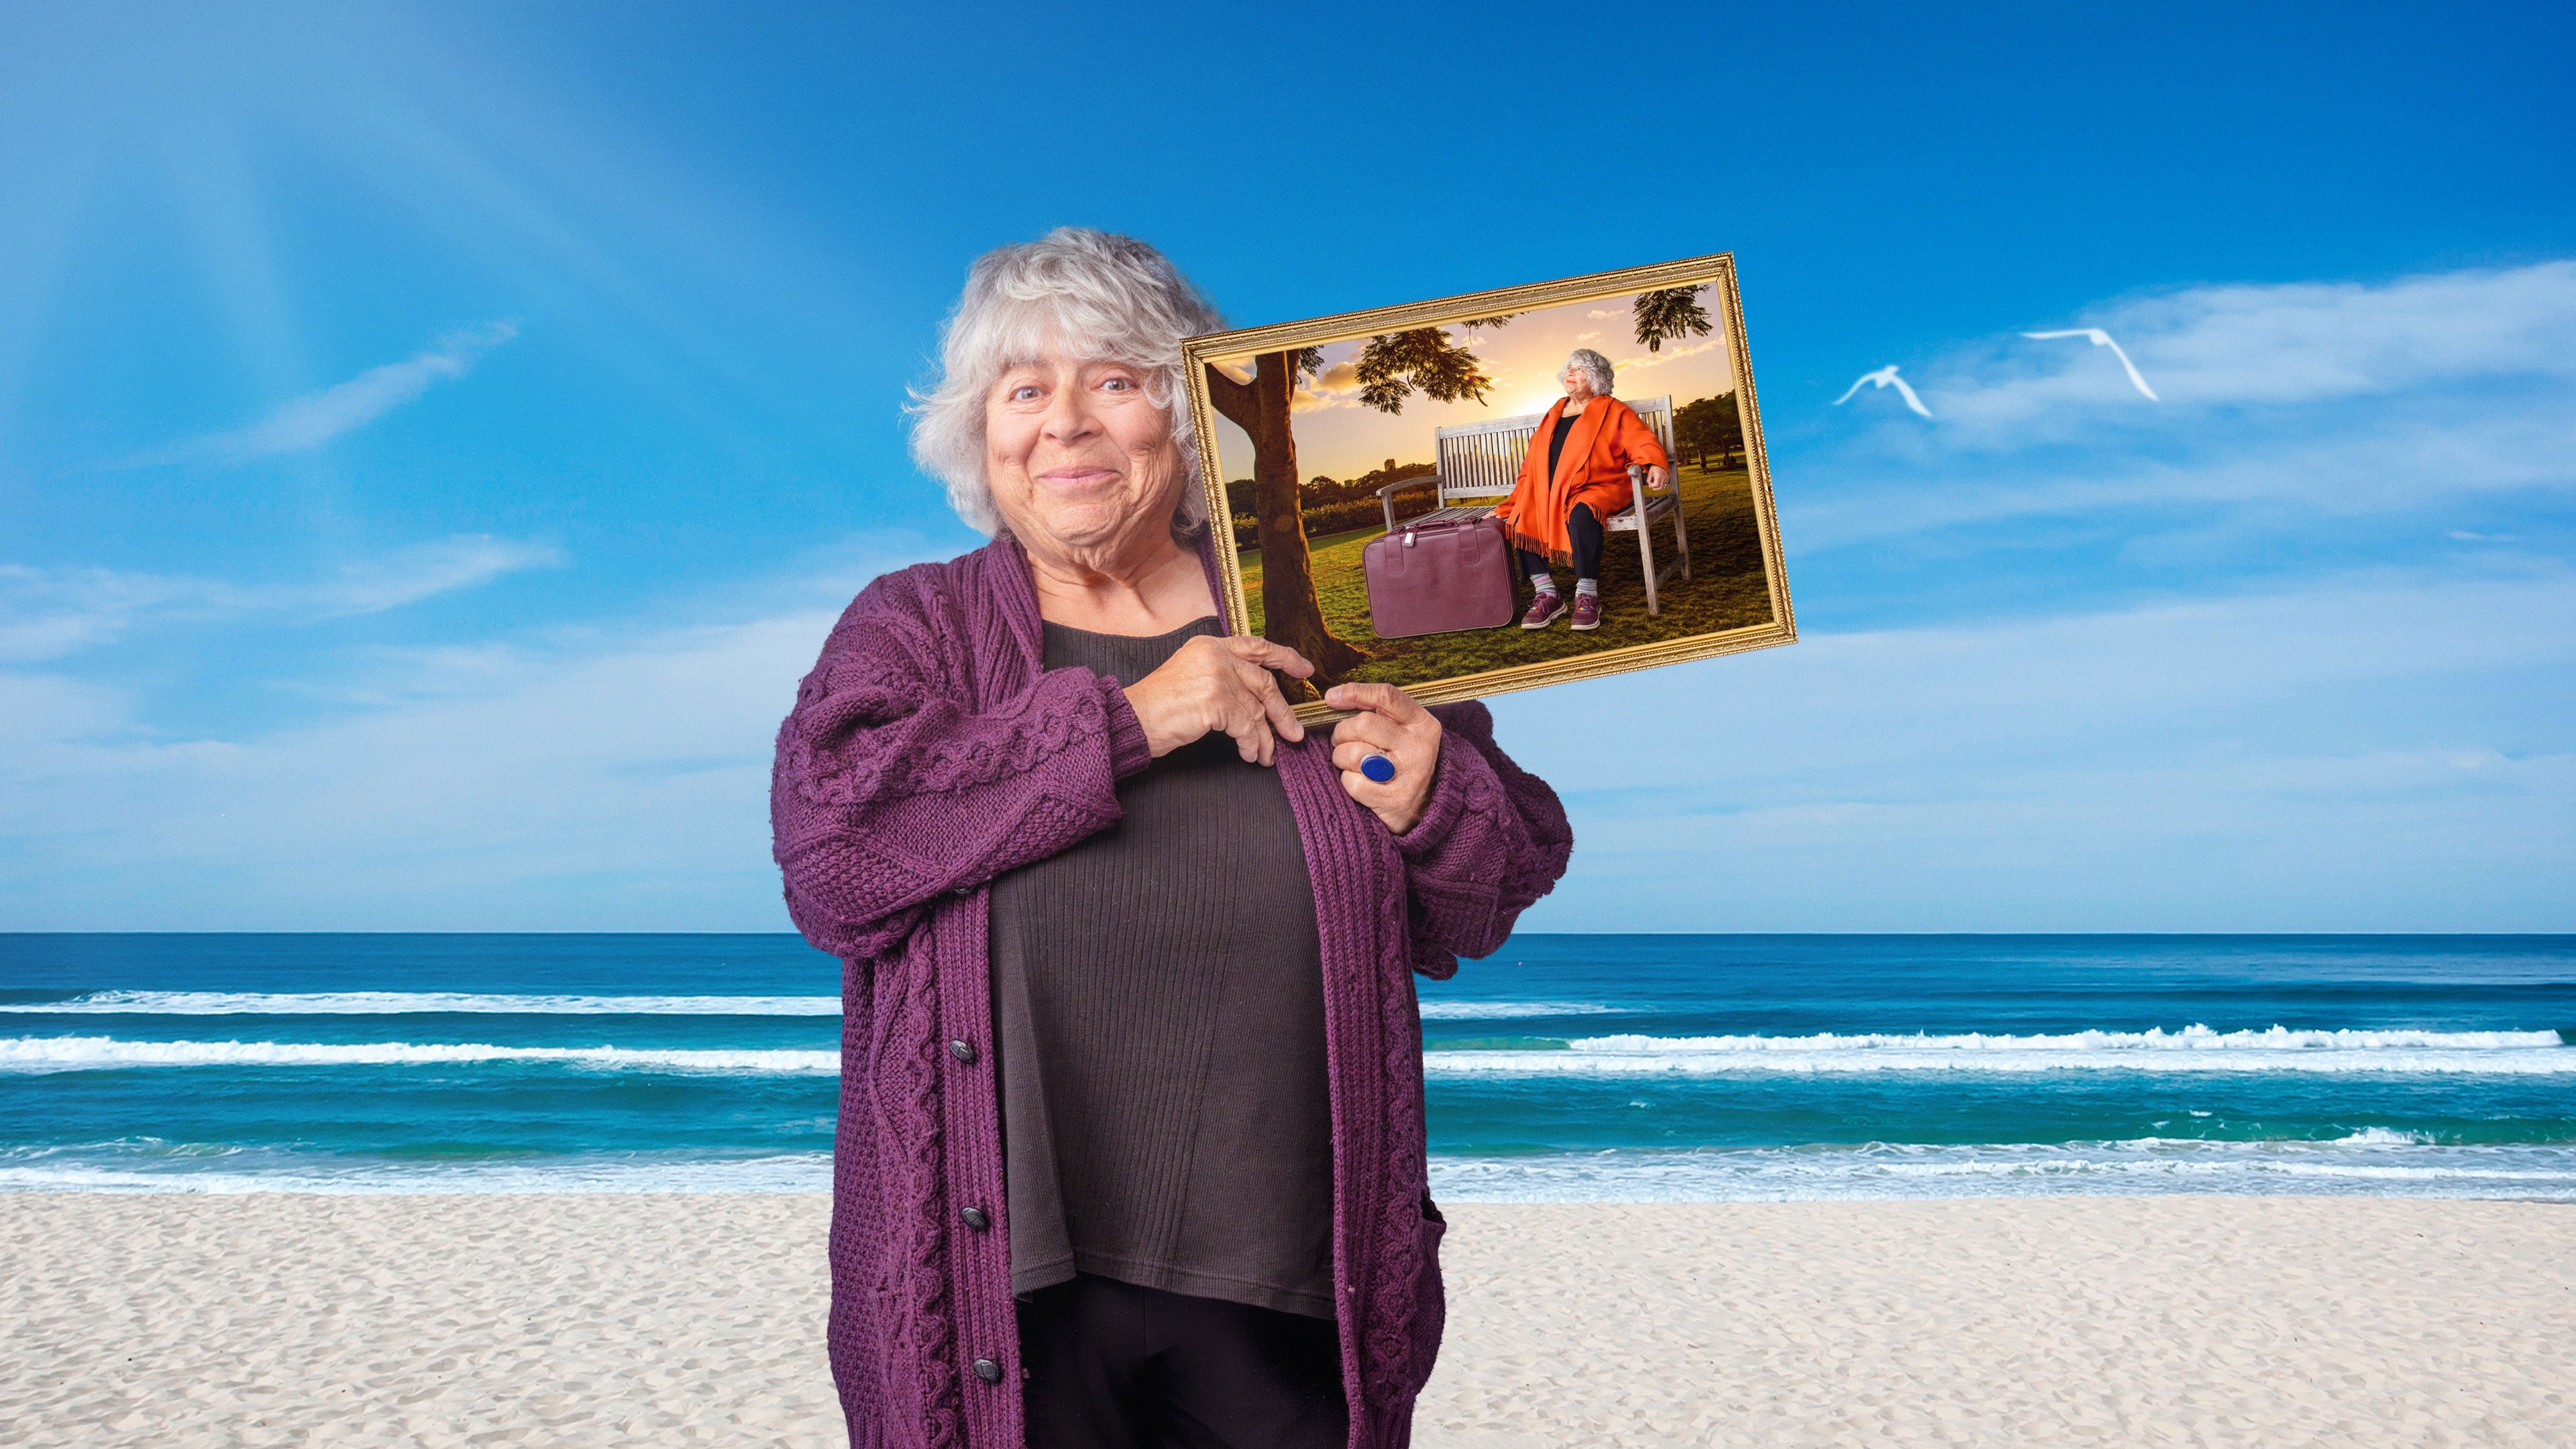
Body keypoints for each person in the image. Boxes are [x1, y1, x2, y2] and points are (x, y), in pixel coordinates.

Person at [770, 227, 1573, 1449]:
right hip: (1005, 1305)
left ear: (1186, 413)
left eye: (1115, 379)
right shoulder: (916, 625)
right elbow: (835, 855)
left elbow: (1493, 888)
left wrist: (1430, 799)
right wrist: (1139, 718)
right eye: (1023, 389)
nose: (1066, 423)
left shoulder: (1319, 605)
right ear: (980, 434)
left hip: (1295, 1299)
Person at [1491, 348, 1671, 633]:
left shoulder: (1614, 410)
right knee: (1523, 515)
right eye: (1569, 368)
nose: (1570, 373)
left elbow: (1642, 441)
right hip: (1551, 489)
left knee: (1582, 513)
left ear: (1597, 378)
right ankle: (1548, 594)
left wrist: (1655, 465)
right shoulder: (1555, 412)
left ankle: (1587, 594)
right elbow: (1532, 461)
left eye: (1580, 369)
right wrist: (1515, 500)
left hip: (1600, 485)